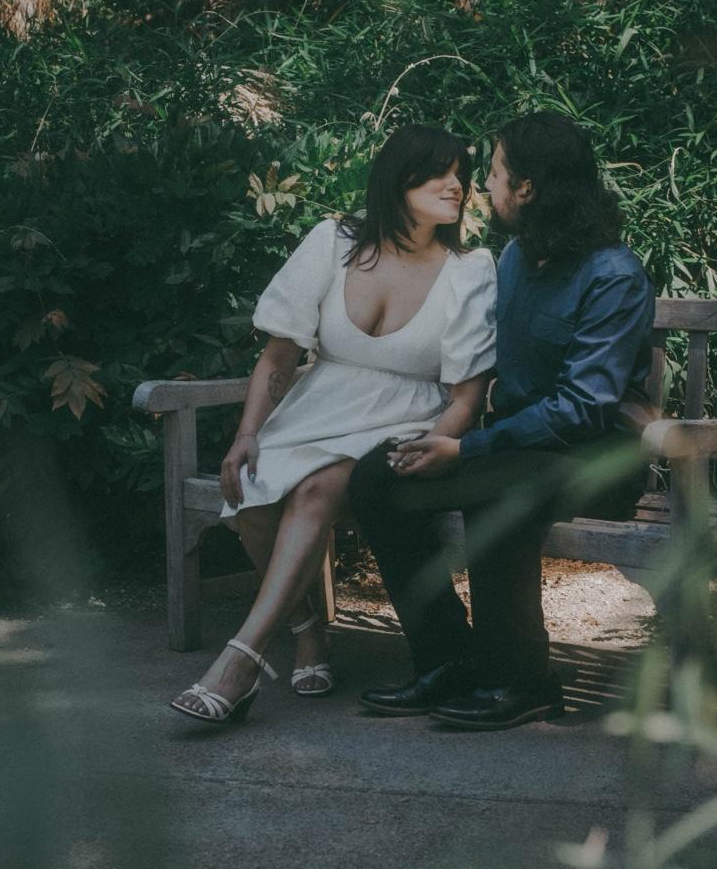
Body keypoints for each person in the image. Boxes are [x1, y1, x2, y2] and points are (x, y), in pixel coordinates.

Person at [170, 125, 497, 725]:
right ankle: (308, 630)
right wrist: (247, 434)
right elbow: (279, 356)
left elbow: (466, 393)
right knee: (254, 495)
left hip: (402, 419)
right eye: (440, 173)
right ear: (399, 179)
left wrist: (437, 441)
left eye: (462, 175)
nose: (457, 186)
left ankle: (240, 661)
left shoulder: (469, 269)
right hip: (318, 407)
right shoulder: (334, 242)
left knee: (316, 490)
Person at [347, 112, 655, 731]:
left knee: (497, 487)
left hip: (599, 456)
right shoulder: (516, 258)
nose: (482, 187)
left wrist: (470, 450)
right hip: (515, 448)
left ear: (527, 188)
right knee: (378, 477)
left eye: (492, 173)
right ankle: (449, 659)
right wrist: (447, 433)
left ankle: (525, 683)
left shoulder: (613, 276)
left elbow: (583, 407)